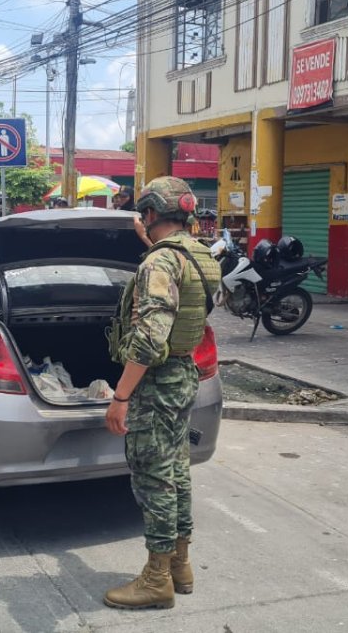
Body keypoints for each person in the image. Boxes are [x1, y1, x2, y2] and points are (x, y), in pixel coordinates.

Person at [102, 175, 219, 610]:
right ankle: (179, 566)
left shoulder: (159, 263)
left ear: (150, 214)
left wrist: (121, 396)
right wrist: (149, 245)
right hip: (186, 373)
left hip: (156, 380)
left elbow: (150, 340)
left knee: (153, 478)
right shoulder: (200, 256)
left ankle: (155, 579)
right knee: (177, 471)